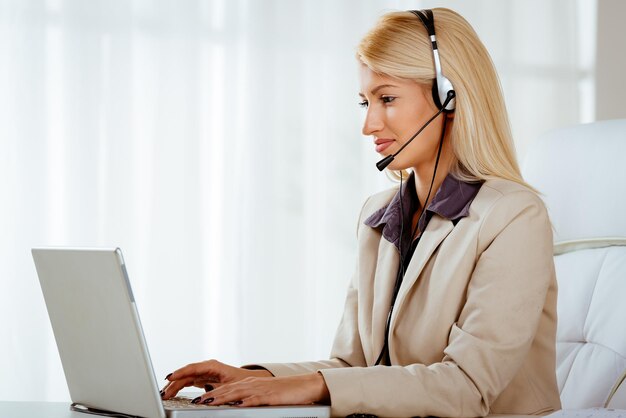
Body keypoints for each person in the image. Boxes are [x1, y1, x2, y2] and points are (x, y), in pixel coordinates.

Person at [161, 8, 561, 417]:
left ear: (450, 97)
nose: (369, 125)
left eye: (386, 99)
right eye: (365, 101)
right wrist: (255, 378)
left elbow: (466, 387)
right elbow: (354, 369)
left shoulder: (513, 217)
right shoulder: (379, 215)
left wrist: (308, 387)